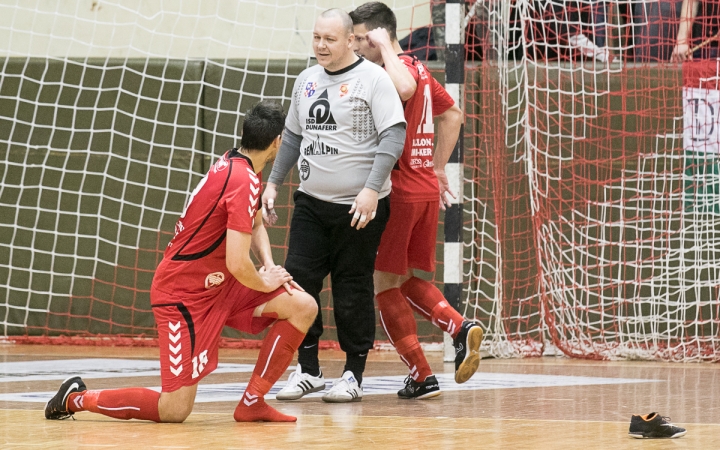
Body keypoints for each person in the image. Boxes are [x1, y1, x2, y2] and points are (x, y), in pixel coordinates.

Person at [44, 101, 318, 423]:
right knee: (174, 410)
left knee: (302, 306)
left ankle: (252, 401)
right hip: (183, 297)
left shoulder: (241, 165)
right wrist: (265, 281)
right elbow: (238, 263)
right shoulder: (241, 180)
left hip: (222, 286)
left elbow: (255, 222)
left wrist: (270, 266)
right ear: (276, 141)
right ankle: (75, 399)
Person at [262, 9, 406, 403]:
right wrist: (273, 183)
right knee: (298, 282)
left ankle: (353, 374)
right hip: (311, 202)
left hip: (358, 208)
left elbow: (394, 137)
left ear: (349, 40)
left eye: (329, 39)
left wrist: (371, 189)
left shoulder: (374, 80)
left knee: (351, 288)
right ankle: (308, 370)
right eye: (316, 38)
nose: (321, 46)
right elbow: (292, 137)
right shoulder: (305, 81)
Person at [349, 2, 483, 400]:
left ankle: (423, 373)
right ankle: (458, 328)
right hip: (425, 187)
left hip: (401, 190)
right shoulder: (421, 68)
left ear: (377, 36)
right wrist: (439, 167)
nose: (355, 47)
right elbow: (454, 115)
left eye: (360, 39)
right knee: (409, 281)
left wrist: (383, 49)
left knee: (384, 285)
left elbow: (405, 89)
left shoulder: (396, 70)